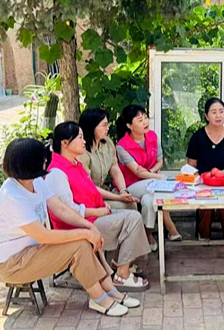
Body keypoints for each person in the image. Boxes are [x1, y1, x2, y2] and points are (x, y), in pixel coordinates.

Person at [0, 138, 139, 317]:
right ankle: (99, 299)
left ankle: (111, 290)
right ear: (30, 163)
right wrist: (85, 233)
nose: (46, 160)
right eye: (42, 158)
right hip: (13, 264)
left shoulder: (35, 182)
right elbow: (44, 236)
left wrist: (89, 227)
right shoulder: (12, 197)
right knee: (79, 245)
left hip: (32, 251)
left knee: (85, 239)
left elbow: (60, 209)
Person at [47, 122, 151, 292]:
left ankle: (121, 263)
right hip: (79, 226)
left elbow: (91, 189)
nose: (83, 141)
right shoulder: (57, 173)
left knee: (131, 211)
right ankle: (122, 275)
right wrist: (98, 210)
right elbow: (68, 211)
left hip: (93, 215)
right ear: (64, 143)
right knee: (132, 219)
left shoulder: (74, 164)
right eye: (79, 138)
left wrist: (108, 202)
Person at [116, 105, 181, 251]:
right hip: (131, 185)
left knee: (148, 200)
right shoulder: (122, 146)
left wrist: (150, 172)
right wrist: (159, 177)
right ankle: (170, 227)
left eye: (145, 117)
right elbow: (138, 173)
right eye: (140, 120)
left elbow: (160, 161)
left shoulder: (152, 136)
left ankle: (147, 235)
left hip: (150, 183)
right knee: (156, 184)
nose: (145, 122)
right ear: (129, 126)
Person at [186, 98, 224, 240]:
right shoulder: (197, 137)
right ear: (206, 116)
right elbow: (191, 164)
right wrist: (199, 179)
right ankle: (204, 236)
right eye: (214, 112)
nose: (218, 115)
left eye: (221, 112)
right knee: (206, 204)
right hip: (203, 184)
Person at [78, 108, 138, 211]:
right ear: (92, 127)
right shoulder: (81, 152)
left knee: (131, 204)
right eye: (104, 125)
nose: (108, 128)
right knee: (129, 206)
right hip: (87, 199)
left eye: (108, 124)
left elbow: (114, 168)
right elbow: (88, 186)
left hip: (102, 192)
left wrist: (123, 190)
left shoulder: (108, 143)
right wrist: (118, 197)